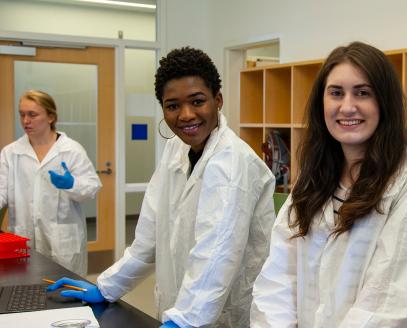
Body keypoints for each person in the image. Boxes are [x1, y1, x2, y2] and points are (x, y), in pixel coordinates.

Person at [48, 47, 276, 328]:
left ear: (218, 100)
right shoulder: (175, 151)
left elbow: (216, 254)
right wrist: (106, 287)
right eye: (173, 105)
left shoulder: (233, 163)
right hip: (182, 306)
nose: (186, 115)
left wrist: (184, 321)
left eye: (197, 101)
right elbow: (149, 240)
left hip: (223, 315)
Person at [250, 41, 407, 327]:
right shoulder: (315, 176)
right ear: (322, 102)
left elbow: (390, 298)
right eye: (336, 93)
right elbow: (280, 276)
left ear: (384, 102)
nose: (347, 106)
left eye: (363, 93)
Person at [0, 90, 101, 276]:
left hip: (63, 241)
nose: (25, 121)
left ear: (50, 117)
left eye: (32, 114)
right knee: (25, 291)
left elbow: (92, 188)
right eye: (21, 114)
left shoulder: (71, 150)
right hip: (23, 237)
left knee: (65, 294)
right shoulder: (11, 153)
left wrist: (71, 184)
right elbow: (1, 191)